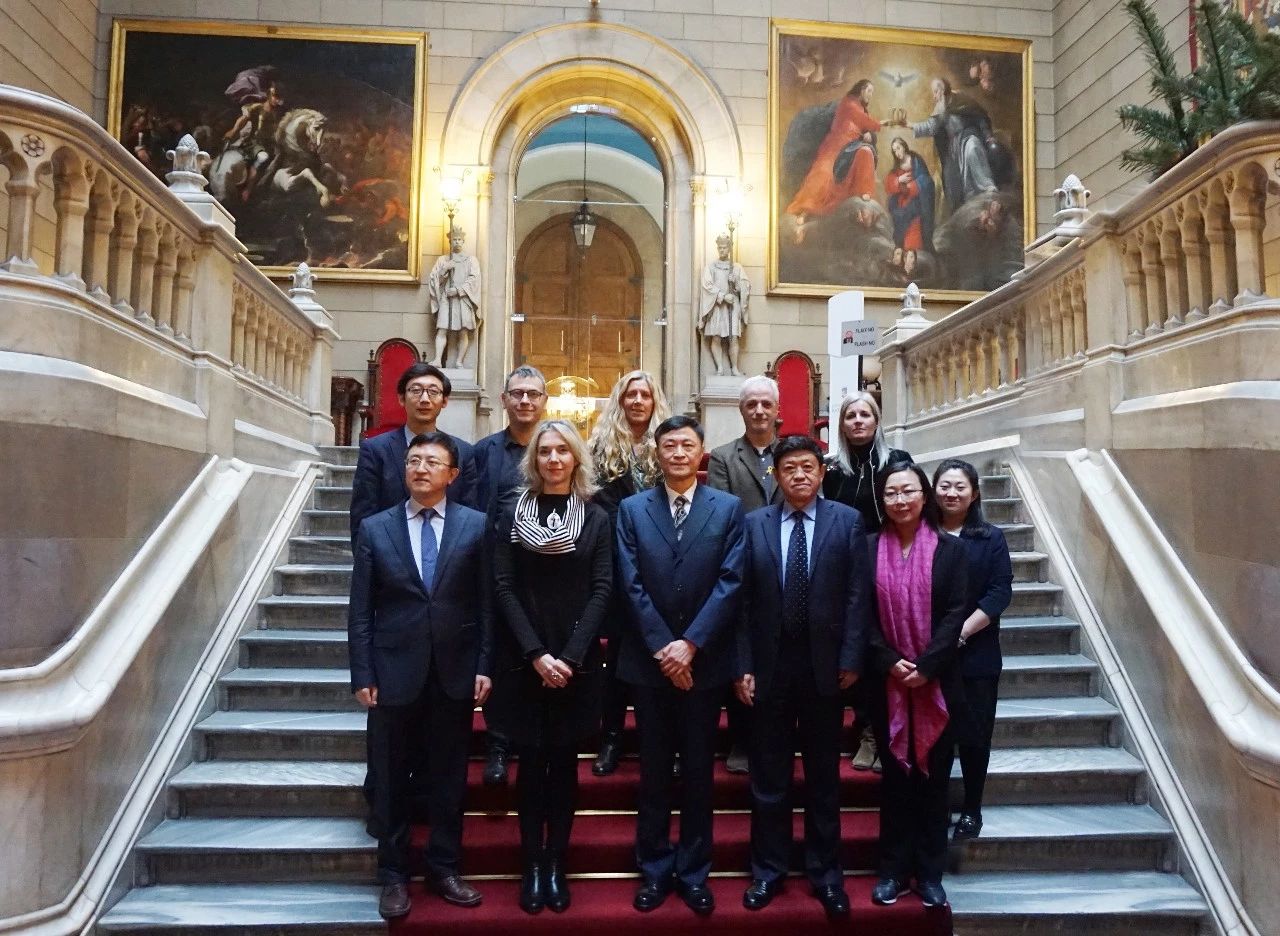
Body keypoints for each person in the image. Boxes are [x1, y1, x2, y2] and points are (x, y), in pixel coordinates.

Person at [347, 432, 493, 920]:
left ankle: (444, 867)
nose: (421, 468)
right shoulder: (375, 528)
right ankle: (393, 873)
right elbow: (360, 610)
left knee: (449, 777)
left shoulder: (476, 525)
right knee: (390, 778)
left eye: (432, 461)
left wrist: (484, 664)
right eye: (414, 460)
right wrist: (362, 671)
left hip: (454, 671)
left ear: (453, 474)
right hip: (392, 672)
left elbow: (486, 604)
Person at [735, 435, 870, 919]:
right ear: (776, 474)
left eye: (807, 467)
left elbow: (858, 595)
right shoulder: (754, 524)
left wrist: (851, 657)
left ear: (821, 472)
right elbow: (741, 601)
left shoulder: (847, 522)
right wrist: (743, 665)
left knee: (823, 779)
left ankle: (826, 875)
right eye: (789, 467)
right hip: (769, 668)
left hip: (825, 669)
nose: (799, 475)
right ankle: (768, 871)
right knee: (768, 778)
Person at [616, 415, 745, 915]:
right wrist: (664, 649)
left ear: (700, 452)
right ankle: (652, 869)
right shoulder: (632, 509)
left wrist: (690, 645)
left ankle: (693, 872)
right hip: (648, 665)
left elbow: (732, 581)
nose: (677, 453)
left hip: (704, 664)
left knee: (697, 773)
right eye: (668, 445)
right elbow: (629, 583)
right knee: (652, 773)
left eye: (686, 445)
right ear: (658, 452)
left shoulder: (727, 508)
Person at [491, 420, 612, 915]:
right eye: (545, 451)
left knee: (563, 766)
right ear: (534, 460)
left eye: (563, 450)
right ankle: (532, 865)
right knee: (528, 766)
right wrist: (536, 654)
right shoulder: (510, 512)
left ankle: (556, 863)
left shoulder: (596, 517)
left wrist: (569, 656)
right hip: (523, 660)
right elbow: (503, 587)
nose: (554, 459)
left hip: (574, 661)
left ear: (576, 458)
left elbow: (603, 589)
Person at [865, 460, 969, 910]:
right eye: (891, 493)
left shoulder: (951, 550)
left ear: (924, 496)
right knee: (895, 782)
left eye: (908, 491)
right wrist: (890, 662)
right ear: (882, 501)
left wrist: (927, 666)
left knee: (934, 781)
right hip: (886, 684)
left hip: (938, 684)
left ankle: (929, 873)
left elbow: (956, 614)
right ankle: (892, 871)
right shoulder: (867, 549)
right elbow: (861, 615)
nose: (900, 500)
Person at [587, 370, 671, 776]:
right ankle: (611, 738)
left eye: (645, 395)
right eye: (630, 394)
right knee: (618, 660)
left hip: (662, 563)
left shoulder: (668, 444)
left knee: (661, 654)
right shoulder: (599, 448)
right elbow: (597, 506)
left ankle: (667, 743)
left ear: (655, 402)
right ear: (620, 402)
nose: (638, 401)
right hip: (617, 562)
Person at [823, 391, 910, 771]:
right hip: (844, 570)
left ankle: (884, 731)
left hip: (890, 567)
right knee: (856, 650)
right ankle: (866, 729)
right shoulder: (832, 470)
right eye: (850, 416)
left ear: (877, 421)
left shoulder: (898, 462)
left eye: (865, 414)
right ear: (841, 425)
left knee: (885, 651)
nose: (858, 421)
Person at [473, 365, 549, 787]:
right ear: (503, 400)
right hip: (495, 570)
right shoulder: (482, 453)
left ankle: (534, 742)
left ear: (544, 401)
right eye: (517, 393)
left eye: (533, 394)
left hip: (546, 573)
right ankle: (498, 745)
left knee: (538, 652)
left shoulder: (556, 448)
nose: (525, 401)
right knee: (501, 657)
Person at [706, 374, 784, 774]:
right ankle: (740, 735)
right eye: (751, 404)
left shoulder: (793, 453)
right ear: (741, 410)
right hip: (740, 562)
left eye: (765, 404)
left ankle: (774, 736)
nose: (759, 411)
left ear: (777, 409)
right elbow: (722, 510)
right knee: (740, 652)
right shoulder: (723, 456)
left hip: (787, 565)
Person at [933, 458, 1013, 841]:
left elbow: (1000, 592)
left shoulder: (990, 537)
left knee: (975, 737)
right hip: (931, 655)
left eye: (960, 487)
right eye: (945, 486)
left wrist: (961, 632)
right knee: (936, 738)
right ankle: (935, 808)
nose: (951, 493)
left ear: (975, 493)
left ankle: (971, 808)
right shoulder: (923, 534)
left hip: (976, 654)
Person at [349, 362, 479, 544]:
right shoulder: (375, 449)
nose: (424, 399)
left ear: (444, 401)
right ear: (401, 398)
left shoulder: (464, 452)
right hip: (390, 553)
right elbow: (362, 517)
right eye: (416, 390)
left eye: (433, 391)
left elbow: (470, 520)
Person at [786, 78, 882, 243]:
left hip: (852, 146)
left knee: (866, 153)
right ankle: (804, 212)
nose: (870, 95)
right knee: (824, 177)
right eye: (869, 91)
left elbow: (866, 128)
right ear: (861, 90)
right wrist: (886, 123)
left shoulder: (861, 109)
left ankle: (863, 197)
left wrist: (867, 134)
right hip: (837, 146)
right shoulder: (849, 103)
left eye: (872, 92)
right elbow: (869, 123)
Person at [899, 78, 999, 213]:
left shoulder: (961, 99)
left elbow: (979, 116)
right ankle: (970, 199)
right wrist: (909, 125)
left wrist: (987, 135)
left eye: (935, 92)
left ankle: (988, 187)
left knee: (972, 150)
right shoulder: (940, 107)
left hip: (969, 136)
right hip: (954, 146)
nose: (934, 96)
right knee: (954, 175)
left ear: (942, 90)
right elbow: (930, 127)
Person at [427, 227, 482, 368]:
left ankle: (459, 361)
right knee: (442, 329)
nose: (457, 242)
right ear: (450, 242)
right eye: (454, 240)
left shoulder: (471, 260)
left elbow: (474, 279)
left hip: (463, 299)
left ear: (463, 241)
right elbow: (434, 279)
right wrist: (445, 269)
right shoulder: (443, 260)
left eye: (459, 239)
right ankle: (438, 359)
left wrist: (458, 290)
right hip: (447, 299)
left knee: (463, 331)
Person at [698, 233, 751, 377]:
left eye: (724, 248)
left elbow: (745, 287)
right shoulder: (711, 267)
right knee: (716, 337)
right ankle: (720, 368)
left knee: (733, 337)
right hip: (717, 306)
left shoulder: (737, 267)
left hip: (732, 306)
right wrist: (722, 296)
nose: (722, 250)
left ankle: (734, 368)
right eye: (720, 248)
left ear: (729, 249)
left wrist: (736, 283)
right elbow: (707, 286)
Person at [884, 137, 936, 277]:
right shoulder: (896, 169)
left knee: (915, 245)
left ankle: (914, 268)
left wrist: (912, 187)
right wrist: (898, 180)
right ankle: (902, 268)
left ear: (904, 146)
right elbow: (889, 185)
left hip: (918, 205)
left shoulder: (917, 162)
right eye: (894, 151)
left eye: (898, 148)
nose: (897, 153)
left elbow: (927, 181)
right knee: (901, 224)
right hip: (902, 207)